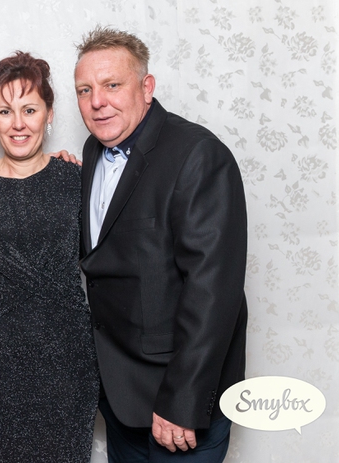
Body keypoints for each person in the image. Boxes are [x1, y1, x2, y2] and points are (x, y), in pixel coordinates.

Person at [75, 26, 248, 462]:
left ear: (146, 87)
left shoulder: (197, 155)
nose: (97, 101)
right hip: (121, 399)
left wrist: (182, 402)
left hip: (179, 406)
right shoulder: (92, 152)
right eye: (85, 90)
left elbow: (214, 292)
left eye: (112, 85)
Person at [0, 52, 100, 462]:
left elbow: (109, 257)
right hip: (0, 360)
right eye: (5, 111)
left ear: (49, 114)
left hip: (68, 356)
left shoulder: (76, 178)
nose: (18, 123)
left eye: (30, 110)